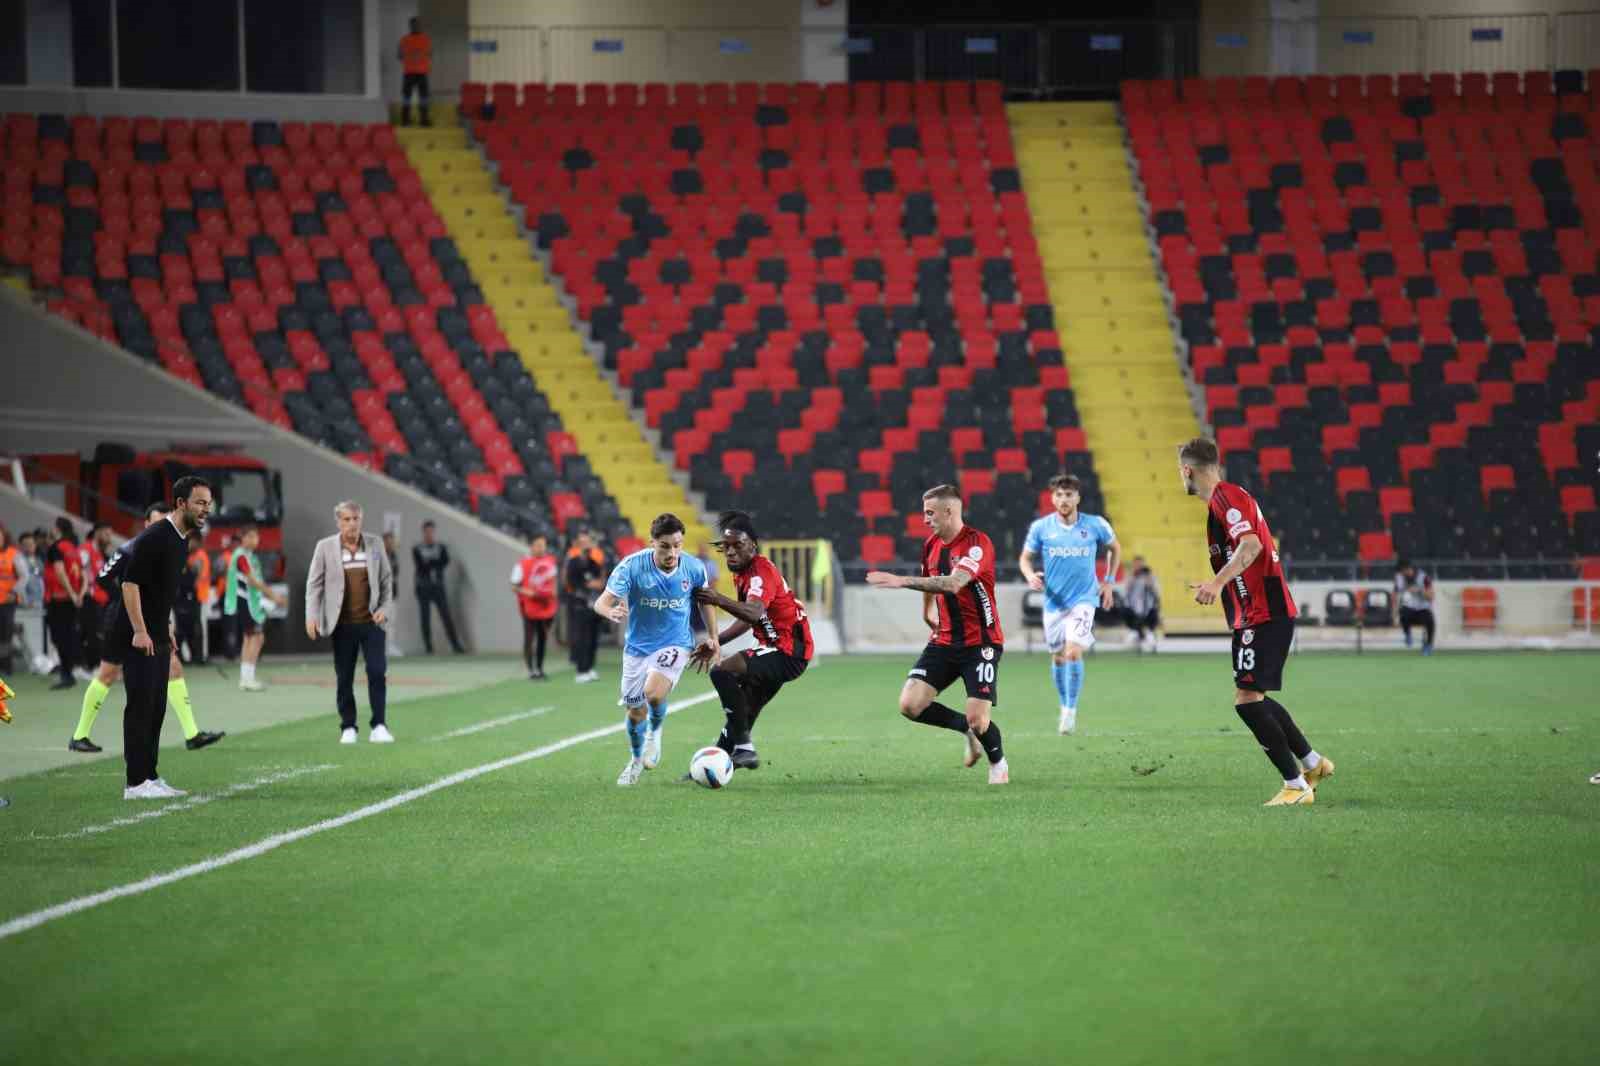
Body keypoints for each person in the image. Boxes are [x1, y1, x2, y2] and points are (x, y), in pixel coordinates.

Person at [1179, 437, 1333, 807]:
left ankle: (1296, 785)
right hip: (1258, 613)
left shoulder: (1225, 497)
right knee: (1254, 696)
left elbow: (1252, 545)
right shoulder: (1226, 499)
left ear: (1187, 470)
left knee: (1247, 701)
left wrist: (1216, 583)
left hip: (1264, 612)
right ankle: (1312, 764)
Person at [865, 484, 1010, 785]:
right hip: (944, 640)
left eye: (930, 513)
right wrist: (926, 610)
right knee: (910, 705)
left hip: (980, 642)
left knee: (979, 719)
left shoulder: (976, 544)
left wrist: (901, 581)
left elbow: (955, 582)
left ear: (949, 511)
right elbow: (932, 577)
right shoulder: (931, 544)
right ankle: (964, 730)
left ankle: (998, 763)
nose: (925, 519)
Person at [71, 503, 226, 754]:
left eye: (163, 521)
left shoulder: (168, 549)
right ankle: (80, 735)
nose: (160, 526)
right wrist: (125, 598)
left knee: (173, 667)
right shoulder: (132, 547)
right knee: (108, 674)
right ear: (146, 524)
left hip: (151, 619)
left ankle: (192, 733)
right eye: (155, 522)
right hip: (122, 620)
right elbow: (102, 577)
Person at [592, 513, 717, 786]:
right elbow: (601, 602)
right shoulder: (632, 567)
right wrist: (609, 611)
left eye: (677, 545)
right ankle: (635, 761)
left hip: (676, 642)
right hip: (637, 647)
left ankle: (655, 732)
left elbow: (706, 602)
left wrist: (713, 637)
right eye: (665, 546)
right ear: (653, 543)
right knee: (635, 712)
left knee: (653, 693)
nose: (672, 552)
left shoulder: (694, 568)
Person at [689, 510, 813, 771]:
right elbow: (748, 619)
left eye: (738, 545)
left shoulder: (760, 572)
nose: (731, 552)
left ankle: (744, 747)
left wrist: (717, 598)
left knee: (722, 672)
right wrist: (716, 640)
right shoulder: (743, 573)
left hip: (787, 650)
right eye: (726, 547)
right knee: (744, 707)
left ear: (752, 546)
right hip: (780, 649)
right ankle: (718, 764)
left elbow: (754, 612)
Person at [113, 477, 213, 799]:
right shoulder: (156, 537)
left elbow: (161, 592)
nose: (205, 509)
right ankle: (134, 783)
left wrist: (165, 628)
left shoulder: (181, 538)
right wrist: (141, 631)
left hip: (156, 633)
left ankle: (150, 777)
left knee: (156, 707)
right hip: (137, 635)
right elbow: (130, 585)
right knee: (140, 706)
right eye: (199, 502)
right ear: (181, 503)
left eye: (208, 503)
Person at [1019, 473, 1120, 736]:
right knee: (1058, 656)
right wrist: (1030, 575)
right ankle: (1064, 705)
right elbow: (1025, 559)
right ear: (1052, 499)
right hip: (1053, 603)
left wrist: (1108, 581)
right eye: (1059, 495)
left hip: (1084, 600)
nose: (1064, 499)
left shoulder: (1095, 525)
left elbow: (1115, 549)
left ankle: (1071, 711)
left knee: (1073, 651)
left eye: (1069, 494)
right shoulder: (1041, 528)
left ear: (1078, 497)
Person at [305, 501, 395, 745]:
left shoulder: (375, 545)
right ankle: (348, 727)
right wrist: (311, 616)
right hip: (342, 625)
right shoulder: (324, 548)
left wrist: (385, 610)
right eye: (347, 519)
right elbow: (314, 585)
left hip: (372, 623)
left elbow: (387, 582)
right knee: (344, 677)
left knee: (377, 671)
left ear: (361, 519)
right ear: (338, 522)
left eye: (355, 518)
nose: (352, 524)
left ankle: (379, 725)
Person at [224, 525, 286, 692]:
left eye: (255, 537)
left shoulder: (251, 557)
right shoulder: (241, 556)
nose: (253, 540)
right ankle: (248, 679)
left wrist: (265, 599)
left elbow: (255, 583)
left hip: (250, 603)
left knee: (251, 638)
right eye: (249, 536)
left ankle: (246, 678)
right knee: (256, 638)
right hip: (245, 603)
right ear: (242, 538)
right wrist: (273, 596)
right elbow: (252, 581)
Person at [43, 517, 85, 690]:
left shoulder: (56, 547)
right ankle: (68, 671)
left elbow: (60, 573)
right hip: (70, 600)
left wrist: (71, 594)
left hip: (58, 599)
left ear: (58, 528)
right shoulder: (74, 549)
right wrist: (78, 595)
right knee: (67, 636)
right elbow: (84, 576)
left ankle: (66, 674)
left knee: (59, 637)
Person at [511, 533, 559, 680]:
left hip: (546, 605)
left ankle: (539, 668)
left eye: (543, 545)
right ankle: (530, 670)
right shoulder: (522, 564)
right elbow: (514, 585)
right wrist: (527, 592)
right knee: (529, 638)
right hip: (530, 607)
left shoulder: (550, 561)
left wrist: (554, 593)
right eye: (538, 545)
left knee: (543, 638)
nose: (542, 548)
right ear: (532, 546)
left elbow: (553, 581)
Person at [412, 520, 464, 655]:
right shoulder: (417, 548)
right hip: (423, 587)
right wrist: (434, 563)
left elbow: (444, 561)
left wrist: (430, 562)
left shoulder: (441, 547)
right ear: (424, 532)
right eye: (427, 531)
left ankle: (456, 645)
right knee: (425, 618)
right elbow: (421, 566)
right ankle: (429, 647)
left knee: (446, 616)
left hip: (438, 587)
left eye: (431, 531)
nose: (429, 534)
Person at [564, 528, 606, 683]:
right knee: (582, 637)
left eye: (587, 542)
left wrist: (597, 584)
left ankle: (590, 667)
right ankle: (581, 670)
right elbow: (572, 583)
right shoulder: (573, 562)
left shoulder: (594, 562)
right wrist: (589, 584)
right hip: (580, 604)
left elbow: (601, 581)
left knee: (594, 638)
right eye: (582, 542)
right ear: (577, 543)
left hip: (594, 605)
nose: (585, 545)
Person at [176, 531, 208, 664]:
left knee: (196, 628)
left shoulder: (199, 556)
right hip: (188, 597)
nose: (190, 544)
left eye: (192, 541)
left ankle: (199, 656)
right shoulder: (189, 556)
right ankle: (191, 656)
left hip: (198, 596)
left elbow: (197, 577)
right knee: (185, 628)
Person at [1394, 559, 1436, 655]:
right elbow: (1395, 594)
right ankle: (1407, 634)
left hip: (1422, 608)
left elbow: (1431, 596)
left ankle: (1428, 645)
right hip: (1408, 607)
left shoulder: (1423, 577)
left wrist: (1419, 591)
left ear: (1408, 569)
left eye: (1402, 571)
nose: (1401, 574)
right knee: (1403, 613)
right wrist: (1393, 613)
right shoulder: (1399, 578)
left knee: (1430, 620)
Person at [398, 17, 433, 127]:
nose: (416, 26)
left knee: (423, 98)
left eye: (417, 24)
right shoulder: (404, 40)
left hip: (421, 72)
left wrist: (410, 56)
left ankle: (423, 120)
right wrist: (416, 56)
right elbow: (399, 55)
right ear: (410, 26)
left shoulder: (426, 39)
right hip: (410, 72)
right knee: (407, 98)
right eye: (414, 24)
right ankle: (406, 121)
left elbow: (430, 53)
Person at [1123, 556, 1162, 652]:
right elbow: (1126, 591)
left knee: (1153, 617)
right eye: (1136, 565)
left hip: (1148, 607)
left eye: (1140, 565)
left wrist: (1149, 581)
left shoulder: (1151, 577)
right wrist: (1132, 577)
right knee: (1127, 613)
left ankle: (1148, 637)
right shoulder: (1131, 577)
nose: (1138, 567)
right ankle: (1138, 635)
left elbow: (1157, 593)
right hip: (1134, 608)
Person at [0, 525, 19, 675]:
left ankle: (6, 666)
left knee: (6, 634)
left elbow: (24, 577)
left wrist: (14, 591)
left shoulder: (14, 554)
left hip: (7, 602)